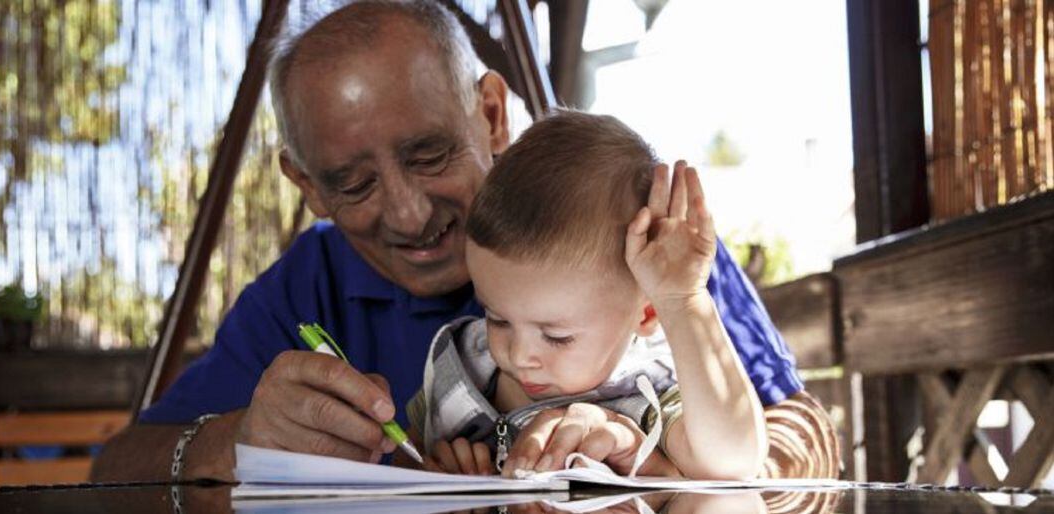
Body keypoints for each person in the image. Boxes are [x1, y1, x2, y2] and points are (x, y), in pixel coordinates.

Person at [91, 0, 827, 483]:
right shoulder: (304, 289)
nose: (409, 215)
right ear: (305, 184)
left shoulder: (634, 234)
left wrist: (663, 464)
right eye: (353, 184)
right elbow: (111, 475)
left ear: (492, 113)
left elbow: (807, 442)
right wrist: (237, 441)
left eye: (429, 155)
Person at [404, 111, 767, 479]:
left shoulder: (647, 384)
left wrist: (681, 300)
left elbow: (734, 463)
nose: (518, 354)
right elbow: (404, 468)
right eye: (496, 318)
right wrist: (435, 477)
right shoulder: (462, 364)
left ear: (644, 314)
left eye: (556, 336)